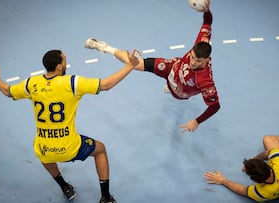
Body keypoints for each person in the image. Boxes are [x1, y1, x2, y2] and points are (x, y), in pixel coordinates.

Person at [0, 49, 140, 203]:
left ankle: (65, 187)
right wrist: (130, 65)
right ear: (58, 66)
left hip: (45, 149)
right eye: (65, 61)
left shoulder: (31, 83)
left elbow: (8, 91)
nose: (66, 64)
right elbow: (105, 85)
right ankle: (106, 197)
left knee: (41, 149)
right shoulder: (72, 83)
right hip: (70, 147)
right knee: (100, 150)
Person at [85, 0, 220, 133]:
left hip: (181, 89)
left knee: (173, 92)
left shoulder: (205, 81)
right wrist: (207, 10)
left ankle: (170, 86)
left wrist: (197, 121)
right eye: (192, 57)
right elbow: (207, 22)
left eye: (198, 61)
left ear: (206, 60)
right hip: (172, 67)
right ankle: (105, 47)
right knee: (134, 64)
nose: (193, 62)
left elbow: (215, 106)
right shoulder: (202, 42)